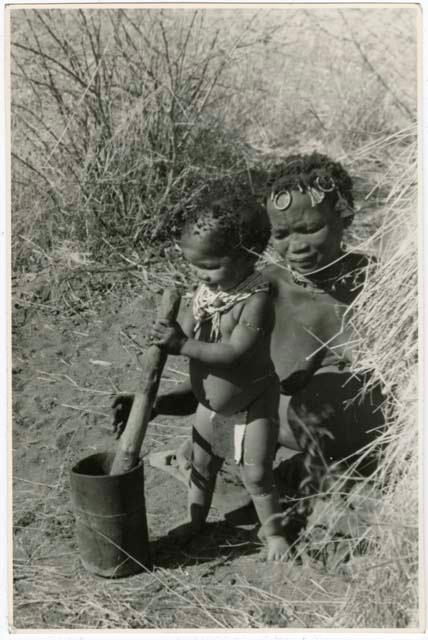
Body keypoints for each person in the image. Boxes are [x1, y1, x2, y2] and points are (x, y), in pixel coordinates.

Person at [113, 153, 385, 531]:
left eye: (310, 228)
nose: (297, 246)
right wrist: (158, 405)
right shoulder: (259, 292)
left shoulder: (382, 287)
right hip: (281, 426)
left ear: (345, 217)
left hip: (365, 444)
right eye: (283, 234)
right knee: (221, 435)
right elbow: (230, 378)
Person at [119, 180, 289, 560]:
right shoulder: (208, 291)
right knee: (201, 464)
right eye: (194, 265)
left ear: (248, 256)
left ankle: (274, 532)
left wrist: (182, 345)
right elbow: (188, 325)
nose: (200, 274)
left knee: (256, 474)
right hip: (212, 407)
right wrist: (171, 332)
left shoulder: (255, 299)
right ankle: (196, 521)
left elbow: (235, 353)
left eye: (210, 266)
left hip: (252, 405)